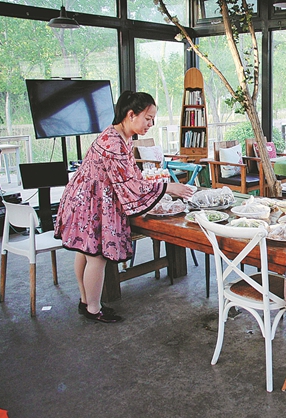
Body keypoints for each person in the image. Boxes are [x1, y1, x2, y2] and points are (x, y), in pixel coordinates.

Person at [54, 91, 194, 323]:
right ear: (131, 115)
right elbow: (130, 184)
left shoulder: (121, 137)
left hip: (85, 198)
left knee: (85, 251)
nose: (151, 124)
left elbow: (132, 174)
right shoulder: (113, 143)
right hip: (90, 202)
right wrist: (167, 187)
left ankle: (86, 301)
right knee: (96, 256)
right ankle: (93, 308)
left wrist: (156, 188)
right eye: (148, 118)